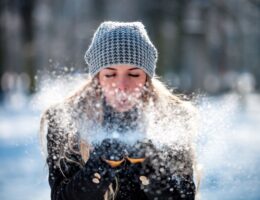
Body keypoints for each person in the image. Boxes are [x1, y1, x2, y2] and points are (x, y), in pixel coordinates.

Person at [40, 21, 199, 200]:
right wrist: (98, 169)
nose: (122, 86)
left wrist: (152, 170)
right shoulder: (66, 120)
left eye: (133, 74)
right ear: (97, 78)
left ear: (147, 78)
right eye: (110, 74)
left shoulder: (172, 118)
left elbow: (184, 196)